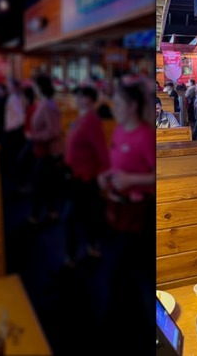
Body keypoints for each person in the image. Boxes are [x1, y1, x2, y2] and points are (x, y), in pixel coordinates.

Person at [97, 76, 156, 355]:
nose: (115, 107)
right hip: (118, 210)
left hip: (139, 214)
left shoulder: (145, 136)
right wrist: (108, 177)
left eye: (118, 103)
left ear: (132, 105)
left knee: (121, 273)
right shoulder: (120, 131)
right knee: (126, 274)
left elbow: (156, 175)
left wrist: (131, 179)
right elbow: (116, 164)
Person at [63, 86, 110, 266]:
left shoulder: (91, 121)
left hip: (85, 178)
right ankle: (91, 246)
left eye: (80, 96)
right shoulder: (82, 118)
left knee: (71, 218)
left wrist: (102, 178)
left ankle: (71, 257)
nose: (76, 99)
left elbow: (102, 153)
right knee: (86, 216)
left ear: (89, 99)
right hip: (76, 176)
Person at [27, 74, 63, 225]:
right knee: (46, 184)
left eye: (34, 85)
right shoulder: (45, 102)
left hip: (47, 151)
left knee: (38, 184)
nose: (33, 88)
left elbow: (54, 131)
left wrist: (34, 136)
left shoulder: (48, 105)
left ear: (40, 87)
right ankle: (52, 212)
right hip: (43, 150)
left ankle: (35, 215)